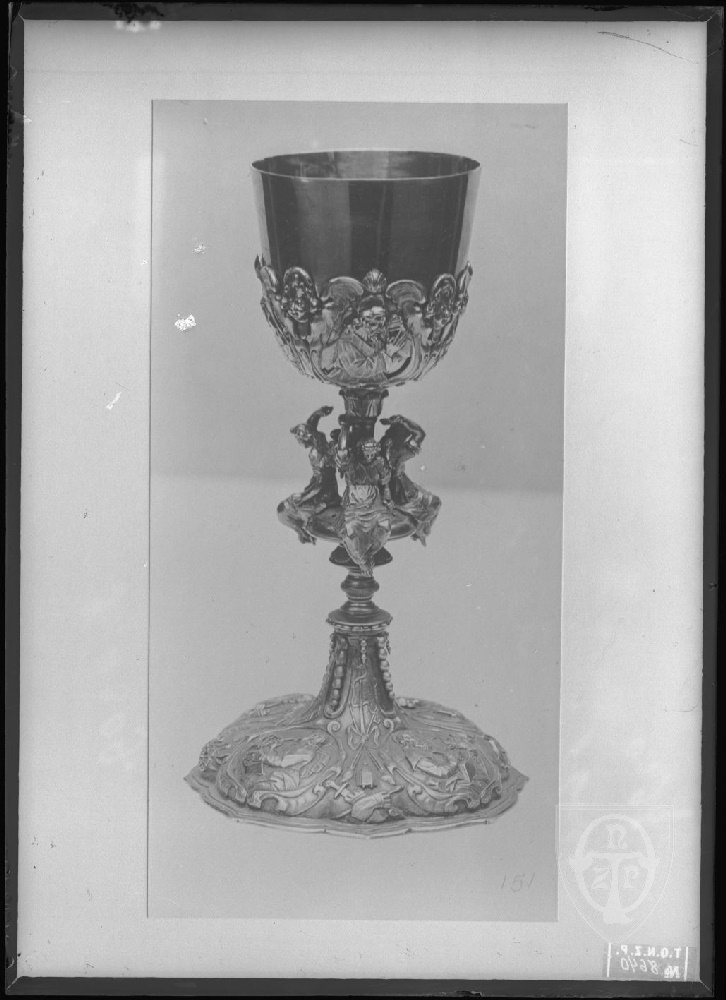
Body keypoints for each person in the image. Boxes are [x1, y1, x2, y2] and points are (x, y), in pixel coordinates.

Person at [277, 405, 339, 544]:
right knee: (296, 504)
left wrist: (307, 496)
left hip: (325, 491)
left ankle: (307, 527)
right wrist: (318, 414)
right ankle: (305, 528)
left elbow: (321, 482)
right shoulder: (318, 446)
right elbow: (312, 427)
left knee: (299, 506)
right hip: (320, 486)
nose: (299, 442)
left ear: (305, 438)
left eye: (299, 439)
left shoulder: (318, 452)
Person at [333, 430, 393, 575]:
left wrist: (387, 498)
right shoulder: (352, 463)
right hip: (355, 504)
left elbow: (385, 482)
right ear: (360, 451)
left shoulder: (379, 463)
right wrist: (344, 432)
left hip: (374, 504)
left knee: (385, 526)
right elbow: (342, 456)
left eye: (372, 453)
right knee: (351, 532)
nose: (369, 456)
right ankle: (362, 560)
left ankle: (370, 553)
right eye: (366, 453)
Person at [379, 414, 441, 544]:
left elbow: (419, 435)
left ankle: (420, 531)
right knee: (431, 504)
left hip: (398, 488)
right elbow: (420, 434)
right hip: (396, 491)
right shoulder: (399, 450)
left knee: (431, 504)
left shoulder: (389, 448)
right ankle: (420, 531)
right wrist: (403, 421)